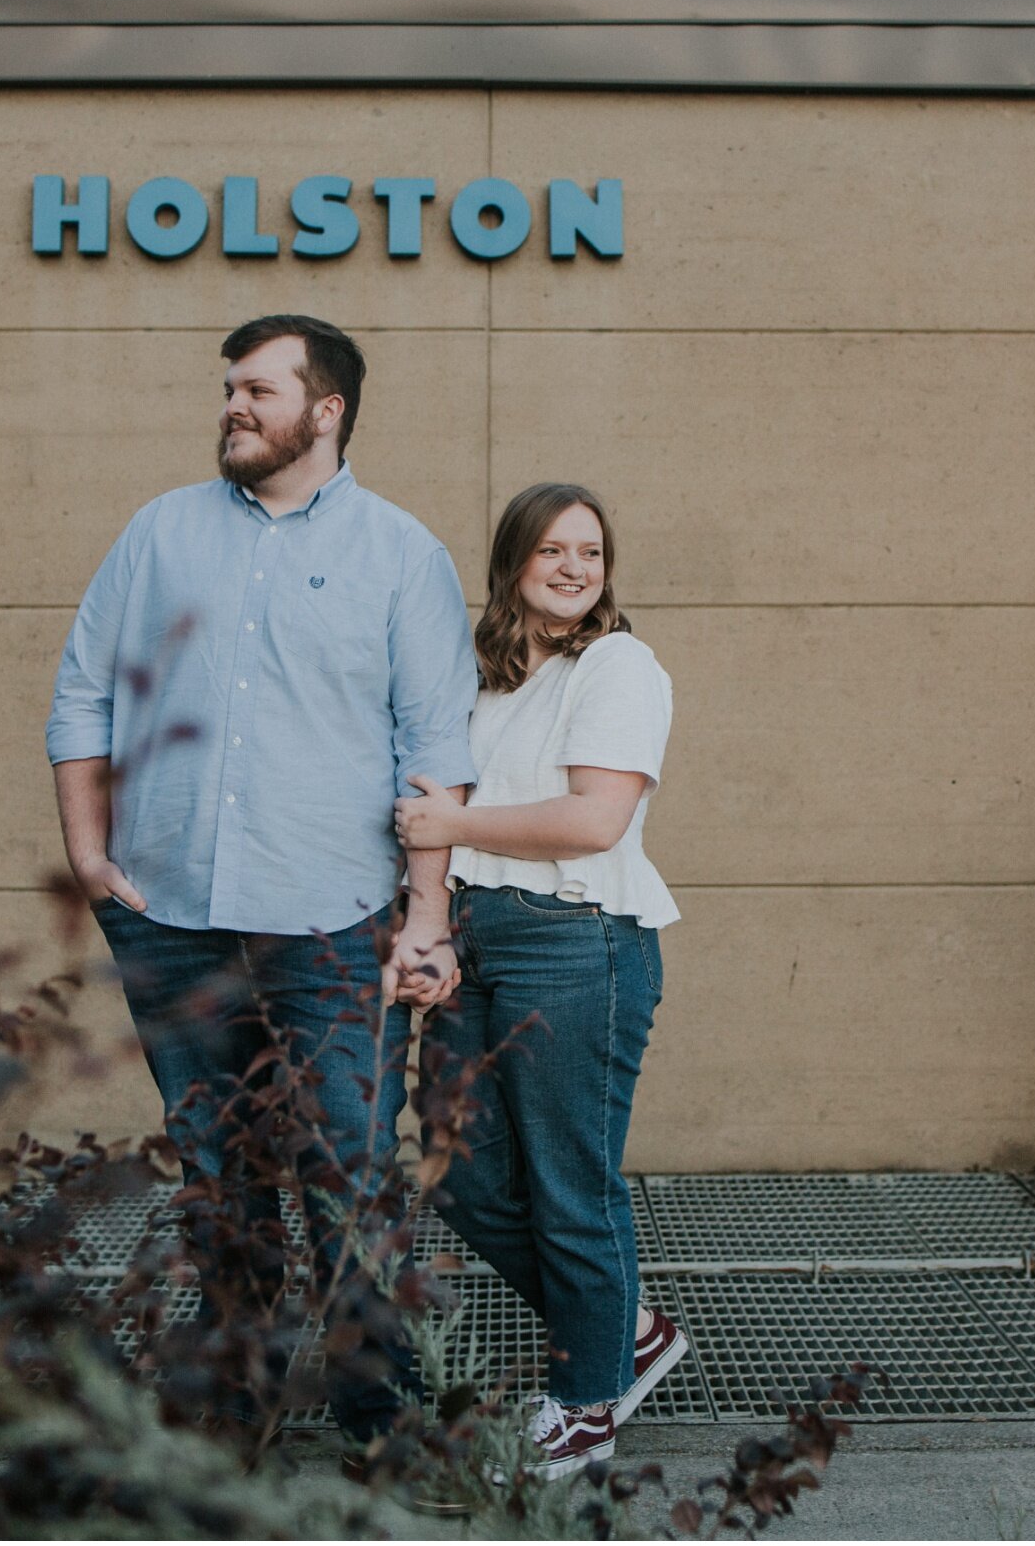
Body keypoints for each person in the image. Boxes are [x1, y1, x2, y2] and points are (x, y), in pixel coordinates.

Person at [45, 313, 477, 1449]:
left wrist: (425, 918)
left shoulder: (400, 554)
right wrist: (91, 855)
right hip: (171, 922)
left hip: (335, 929)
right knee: (217, 1175)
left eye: (257, 390)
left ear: (323, 410)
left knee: (346, 1175)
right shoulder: (157, 534)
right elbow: (83, 691)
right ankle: (229, 1410)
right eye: (228, 389)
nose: (233, 405)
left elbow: (434, 750)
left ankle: (373, 1418)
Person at [392, 482, 688, 1480]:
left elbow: (592, 819)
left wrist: (454, 827)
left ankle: (588, 1395)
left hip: (576, 941)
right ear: (513, 561)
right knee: (459, 1167)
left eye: (591, 552)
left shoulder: (618, 665)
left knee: (570, 1180)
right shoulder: (488, 680)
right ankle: (628, 1329)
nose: (572, 566)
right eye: (552, 549)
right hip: (478, 939)